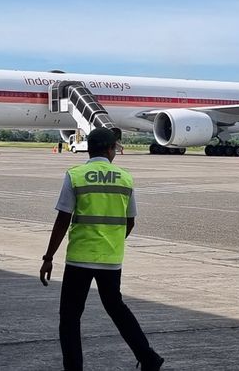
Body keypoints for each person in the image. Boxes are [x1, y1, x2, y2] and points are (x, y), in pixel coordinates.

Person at [40, 127, 163, 371]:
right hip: (111, 258)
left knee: (70, 318)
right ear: (110, 149)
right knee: (116, 309)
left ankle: (74, 368)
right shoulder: (125, 178)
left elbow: (62, 219)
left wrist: (48, 256)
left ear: (89, 148)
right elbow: (130, 221)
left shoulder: (76, 175)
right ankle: (148, 357)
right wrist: (113, 240)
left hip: (80, 258)